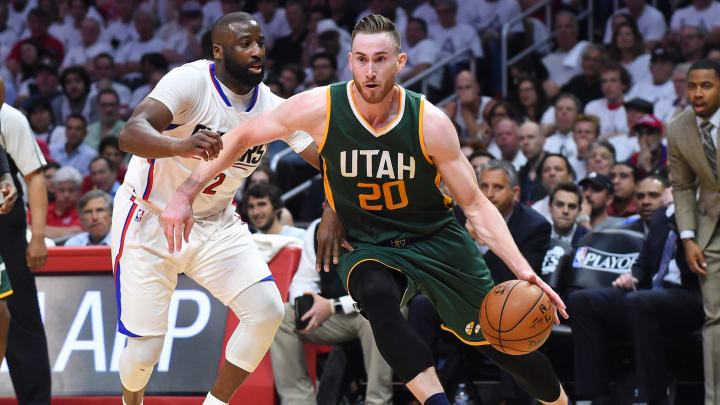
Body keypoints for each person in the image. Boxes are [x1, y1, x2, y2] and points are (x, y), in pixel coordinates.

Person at [163, 15, 571, 405]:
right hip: (369, 241)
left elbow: (476, 206)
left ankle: (559, 400)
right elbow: (241, 135)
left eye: (379, 60)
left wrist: (523, 270)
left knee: (503, 342)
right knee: (376, 296)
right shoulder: (320, 108)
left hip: (434, 236)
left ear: (400, 61)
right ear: (350, 61)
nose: (370, 70)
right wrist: (185, 193)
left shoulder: (429, 122)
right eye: (361, 59)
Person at [112, 12, 323, 405]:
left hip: (216, 223)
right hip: (150, 217)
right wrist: (179, 145)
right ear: (218, 51)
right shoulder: (189, 81)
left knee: (266, 312)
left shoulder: (272, 107)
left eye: (260, 42)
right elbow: (129, 133)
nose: (257, 51)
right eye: (245, 44)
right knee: (143, 354)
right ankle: (131, 402)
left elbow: (324, 158)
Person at [568, 203, 703, 405]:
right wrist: (633, 278)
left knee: (639, 302)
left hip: (692, 294)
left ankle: (652, 397)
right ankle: (594, 396)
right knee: (583, 301)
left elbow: (694, 266)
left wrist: (678, 214)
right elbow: (644, 262)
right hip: (654, 294)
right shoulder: (661, 216)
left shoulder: (702, 215)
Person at [270, 217, 393, 405]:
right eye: (326, 203)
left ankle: (378, 402)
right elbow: (304, 279)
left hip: (374, 309)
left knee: (375, 314)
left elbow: (383, 290)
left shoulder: (375, 225)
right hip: (337, 316)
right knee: (283, 316)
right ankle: (298, 401)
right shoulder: (317, 229)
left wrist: (332, 305)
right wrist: (304, 304)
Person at [667, 58, 720, 405]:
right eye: (692, 85)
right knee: (714, 320)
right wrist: (687, 237)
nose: (697, 93)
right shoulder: (678, 128)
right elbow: (682, 187)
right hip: (710, 232)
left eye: (707, 85)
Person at [0, 77, 51, 405]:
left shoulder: (10, 118)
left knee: (19, 318)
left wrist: (39, 237)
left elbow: (33, 176)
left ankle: (35, 400)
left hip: (6, 227)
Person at [530, 153, 575, 222]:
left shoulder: (582, 207)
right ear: (541, 180)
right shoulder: (534, 211)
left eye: (558, 169)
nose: (552, 173)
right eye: (546, 170)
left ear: (570, 178)